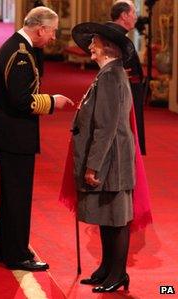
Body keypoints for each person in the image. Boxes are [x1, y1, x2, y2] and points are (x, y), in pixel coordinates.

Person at [0, 6, 73, 272]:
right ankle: (17, 255)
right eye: (53, 31)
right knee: (18, 196)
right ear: (40, 29)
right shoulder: (20, 52)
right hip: (14, 135)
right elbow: (21, 100)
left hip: (11, 133)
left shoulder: (20, 46)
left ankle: (8, 249)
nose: (54, 37)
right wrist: (52, 102)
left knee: (13, 196)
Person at [70, 22, 136, 293]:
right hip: (111, 157)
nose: (90, 46)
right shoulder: (108, 73)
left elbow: (106, 125)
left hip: (112, 159)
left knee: (116, 217)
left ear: (108, 48)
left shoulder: (110, 76)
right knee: (107, 216)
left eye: (94, 42)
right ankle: (107, 268)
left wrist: (93, 165)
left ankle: (118, 273)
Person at [108, 0, 146, 155]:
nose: (136, 17)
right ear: (124, 15)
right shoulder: (115, 37)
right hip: (123, 97)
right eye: (133, 13)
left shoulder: (117, 35)